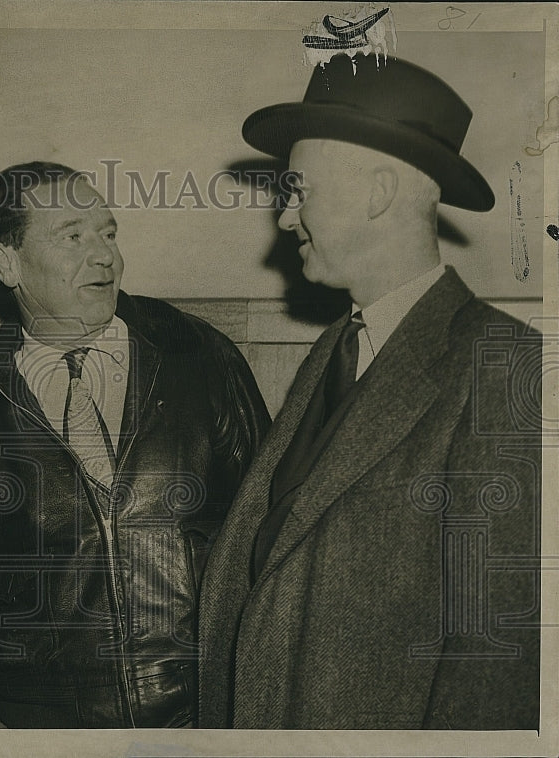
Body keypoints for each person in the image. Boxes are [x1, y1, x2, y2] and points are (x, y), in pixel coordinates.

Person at [199, 54, 541, 729]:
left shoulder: (503, 363)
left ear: (379, 192)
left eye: (299, 190)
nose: (286, 218)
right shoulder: (334, 348)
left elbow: (495, 655)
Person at [0, 162, 270, 728]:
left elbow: (273, 541)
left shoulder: (199, 359)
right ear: (8, 263)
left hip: (205, 718)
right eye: (73, 236)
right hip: (57, 730)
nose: (104, 255)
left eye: (108, 233)